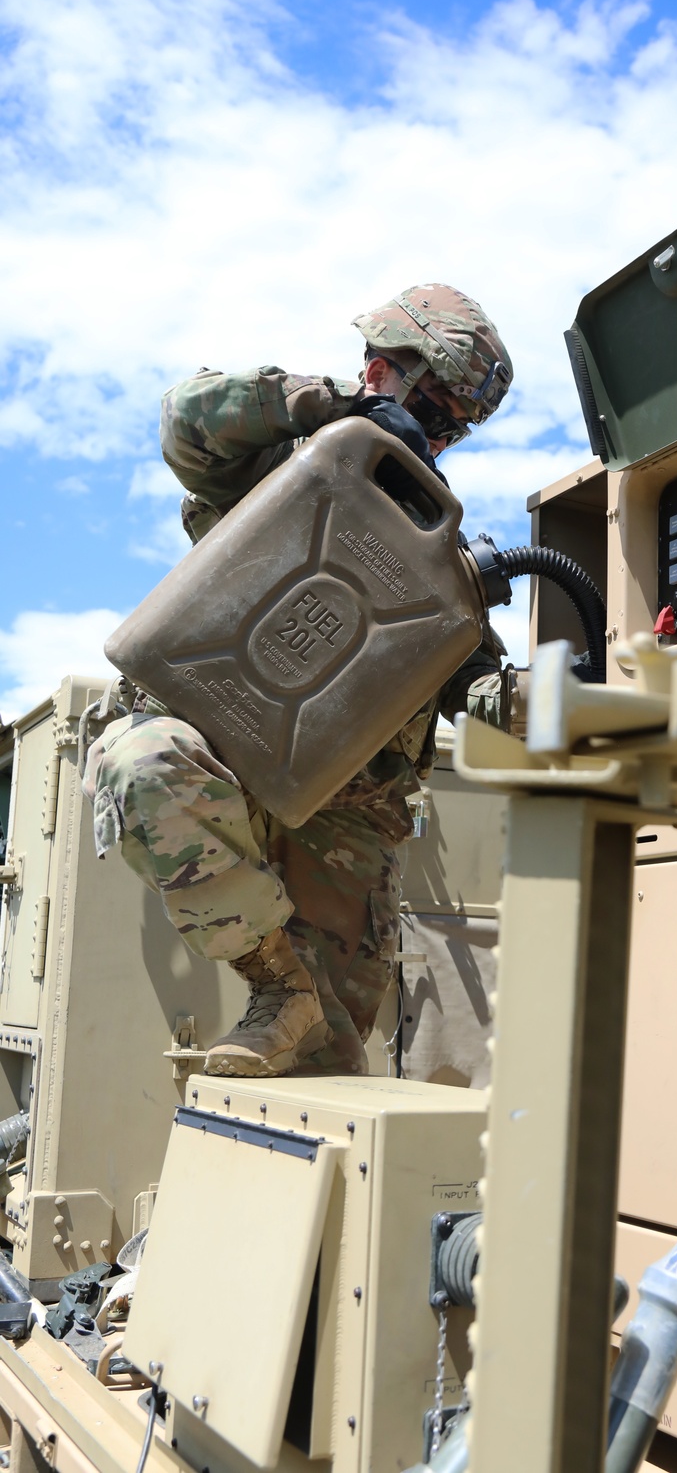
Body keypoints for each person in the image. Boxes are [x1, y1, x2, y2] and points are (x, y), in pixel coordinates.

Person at [83, 284, 515, 1080]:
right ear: (382, 366)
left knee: (324, 1083)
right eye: (435, 404)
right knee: (139, 759)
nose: (442, 433)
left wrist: (509, 695)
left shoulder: (437, 555)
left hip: (344, 840)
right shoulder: (281, 466)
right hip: (222, 765)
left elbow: (479, 688)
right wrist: (329, 407)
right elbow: (187, 417)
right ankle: (277, 986)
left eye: (457, 423)